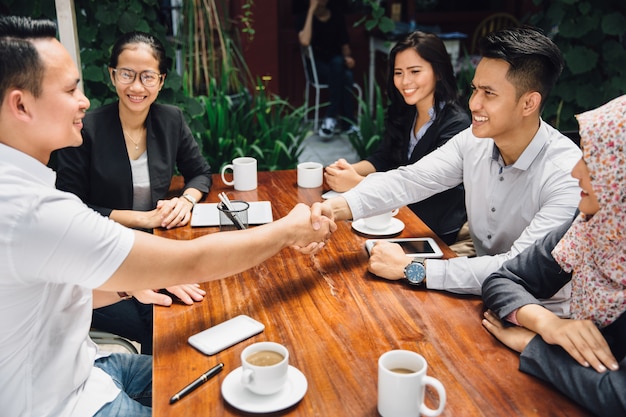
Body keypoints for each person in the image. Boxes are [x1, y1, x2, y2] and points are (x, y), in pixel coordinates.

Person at [0, 15, 334, 417]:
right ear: (21, 104)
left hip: (88, 369)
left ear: (160, 81)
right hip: (58, 403)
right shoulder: (33, 210)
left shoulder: (23, 187)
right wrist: (286, 230)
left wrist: (129, 285)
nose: (83, 101)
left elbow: (51, 291)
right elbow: (190, 260)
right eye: (71, 89)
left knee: (225, 369)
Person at [312, 26, 582, 307]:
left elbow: (519, 267)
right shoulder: (473, 141)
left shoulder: (566, 174)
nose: (473, 103)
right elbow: (409, 180)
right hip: (484, 294)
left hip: (546, 312)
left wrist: (412, 269)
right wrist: (332, 210)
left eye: (489, 94)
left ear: (529, 103)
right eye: (475, 89)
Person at [55, 31, 212, 355]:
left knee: (195, 294)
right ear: (112, 75)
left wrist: (186, 200)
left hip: (152, 245)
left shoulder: (171, 119)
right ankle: (158, 386)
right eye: (127, 74)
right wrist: (140, 218)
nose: (136, 87)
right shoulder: (86, 129)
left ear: (161, 79)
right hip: (97, 254)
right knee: (160, 311)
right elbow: (68, 206)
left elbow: (200, 172)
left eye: (147, 76)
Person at [481, 94, 626, 416]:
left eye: (591, 161)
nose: (575, 172)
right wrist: (547, 324)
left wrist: (532, 345)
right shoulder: (592, 227)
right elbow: (505, 278)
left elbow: (617, 398)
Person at [324, 31, 470, 245]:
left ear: (438, 72)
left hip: (433, 229)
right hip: (396, 217)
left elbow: (429, 189)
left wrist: (357, 183)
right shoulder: (406, 111)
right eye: (398, 72)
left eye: (415, 71)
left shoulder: (457, 125)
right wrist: (349, 169)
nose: (405, 81)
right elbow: (385, 156)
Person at [297, 0, 357, 137]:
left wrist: (348, 58)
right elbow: (305, 41)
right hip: (317, 68)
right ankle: (348, 123)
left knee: (341, 67)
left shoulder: (336, 16)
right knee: (345, 75)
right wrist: (311, 12)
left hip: (337, 64)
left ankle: (331, 117)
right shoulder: (304, 18)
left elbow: (345, 46)